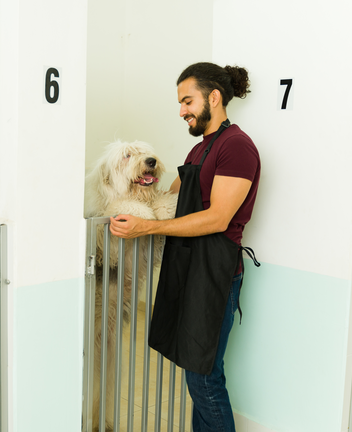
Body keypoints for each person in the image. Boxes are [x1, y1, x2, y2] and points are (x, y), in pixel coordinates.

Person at [109, 62, 261, 432]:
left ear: (214, 97)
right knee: (196, 370)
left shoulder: (236, 147)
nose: (182, 111)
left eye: (187, 101)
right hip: (190, 269)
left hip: (216, 272)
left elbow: (217, 219)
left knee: (204, 374)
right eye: (180, 103)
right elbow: (167, 198)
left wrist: (147, 227)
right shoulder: (199, 151)